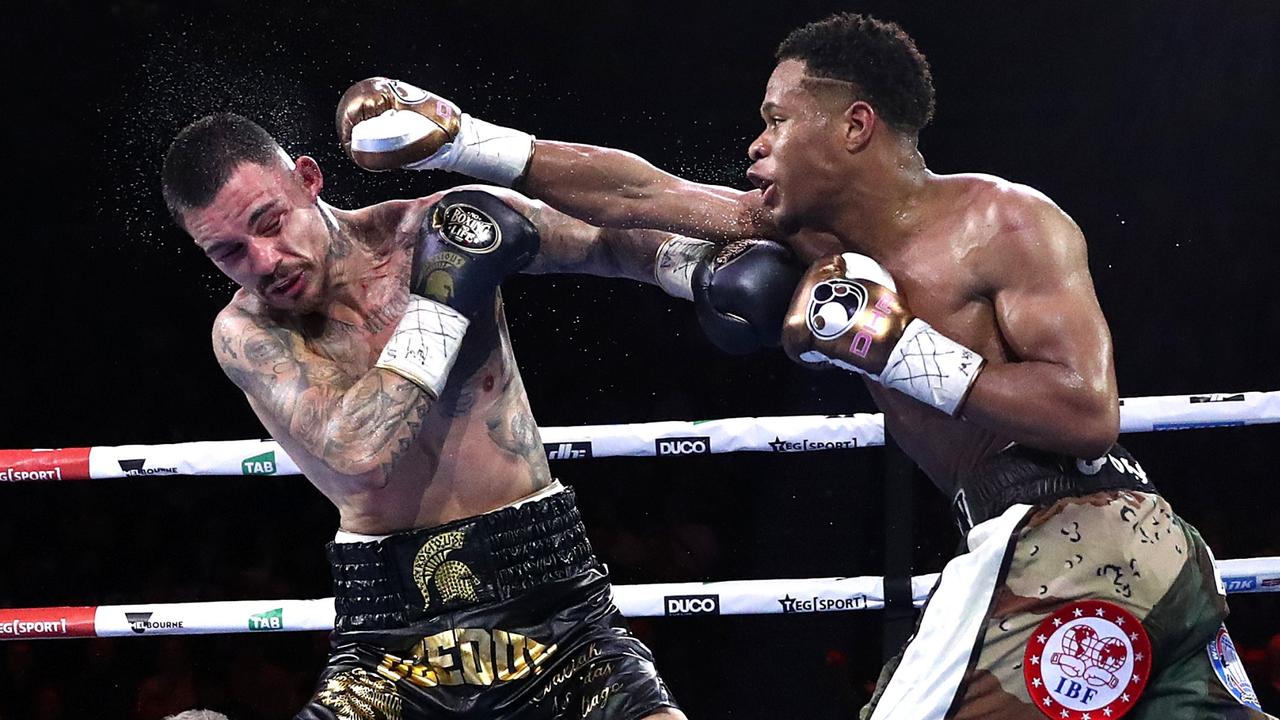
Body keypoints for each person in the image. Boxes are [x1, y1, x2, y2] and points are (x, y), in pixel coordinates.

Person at [335, 12, 1274, 720]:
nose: (755, 144)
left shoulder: (1003, 220)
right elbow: (640, 193)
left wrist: (898, 351)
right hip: (1134, 561)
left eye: (776, 119)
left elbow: (1087, 415)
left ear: (854, 126)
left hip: (1071, 535)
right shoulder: (806, 236)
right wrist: (465, 140)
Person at [162, 113, 797, 719]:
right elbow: (358, 454)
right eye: (229, 252)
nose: (264, 261)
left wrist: (703, 271)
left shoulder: (439, 227)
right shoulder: (246, 332)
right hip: (393, 638)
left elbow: (608, 239)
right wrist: (443, 302)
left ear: (308, 179)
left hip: (553, 596)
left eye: (270, 222)